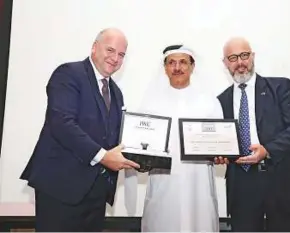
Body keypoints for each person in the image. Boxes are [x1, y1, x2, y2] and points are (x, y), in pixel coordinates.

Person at [20, 28, 140, 232]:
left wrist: (142, 157)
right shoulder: (68, 74)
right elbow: (62, 123)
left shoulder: (116, 93)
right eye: (110, 50)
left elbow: (114, 138)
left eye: (121, 55)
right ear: (94, 48)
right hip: (61, 189)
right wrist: (103, 156)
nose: (115, 58)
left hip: (96, 194)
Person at [214, 37, 290, 232]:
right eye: (233, 57)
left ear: (252, 57)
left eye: (244, 55)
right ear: (225, 63)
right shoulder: (220, 100)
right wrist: (218, 156)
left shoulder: (279, 87)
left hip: (280, 177)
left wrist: (267, 150)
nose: (240, 62)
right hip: (241, 183)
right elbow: (220, 140)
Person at [124, 44, 222, 232]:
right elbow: (140, 144)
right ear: (165, 68)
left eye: (183, 62)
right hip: (163, 181)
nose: (177, 68)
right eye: (172, 63)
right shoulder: (150, 103)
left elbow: (219, 142)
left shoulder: (209, 101)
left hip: (198, 182)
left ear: (192, 67)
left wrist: (221, 154)